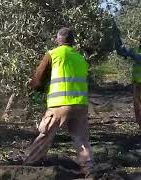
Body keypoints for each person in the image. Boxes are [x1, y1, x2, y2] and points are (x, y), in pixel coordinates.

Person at [25, 27, 94, 175]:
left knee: (46, 134)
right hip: (80, 104)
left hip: (60, 103)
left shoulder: (53, 54)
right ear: (73, 42)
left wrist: (35, 87)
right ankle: (89, 168)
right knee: (80, 138)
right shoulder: (80, 58)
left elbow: (38, 78)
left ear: (57, 40)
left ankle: (29, 163)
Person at [115, 38, 141, 128]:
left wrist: (131, 54)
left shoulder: (136, 52)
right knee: (136, 104)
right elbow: (123, 52)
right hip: (136, 82)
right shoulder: (136, 50)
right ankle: (139, 123)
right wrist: (120, 47)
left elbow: (139, 58)